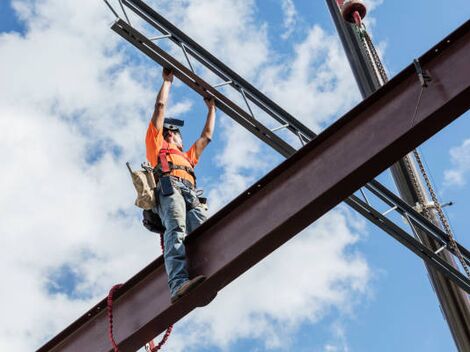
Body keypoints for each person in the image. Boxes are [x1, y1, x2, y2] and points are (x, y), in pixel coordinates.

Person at [145, 68, 216, 304]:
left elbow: (206, 137)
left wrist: (212, 109)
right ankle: (178, 285)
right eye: (178, 133)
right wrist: (167, 82)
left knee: (207, 230)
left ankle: (212, 268)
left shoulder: (186, 157)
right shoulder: (156, 145)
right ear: (172, 134)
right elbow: (160, 108)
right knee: (175, 230)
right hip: (170, 188)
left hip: (189, 192)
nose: (181, 137)